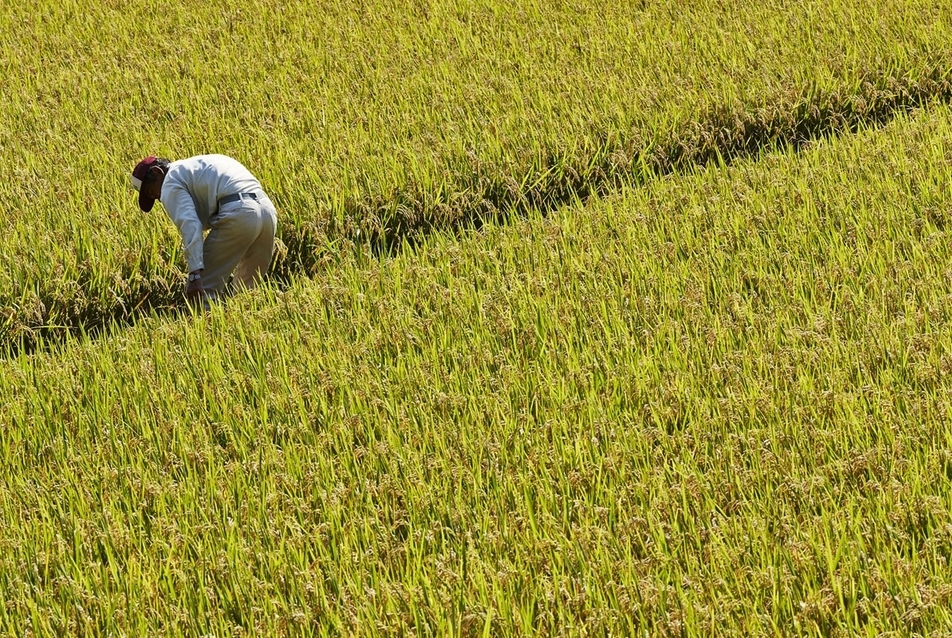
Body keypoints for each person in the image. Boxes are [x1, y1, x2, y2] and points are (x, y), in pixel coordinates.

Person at [130, 154, 278, 303]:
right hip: (267, 209)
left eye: (151, 192)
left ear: (157, 172)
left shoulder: (169, 182)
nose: (158, 198)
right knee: (247, 293)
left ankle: (208, 324)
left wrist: (195, 274)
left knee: (202, 292)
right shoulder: (197, 164)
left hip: (240, 214)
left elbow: (190, 224)